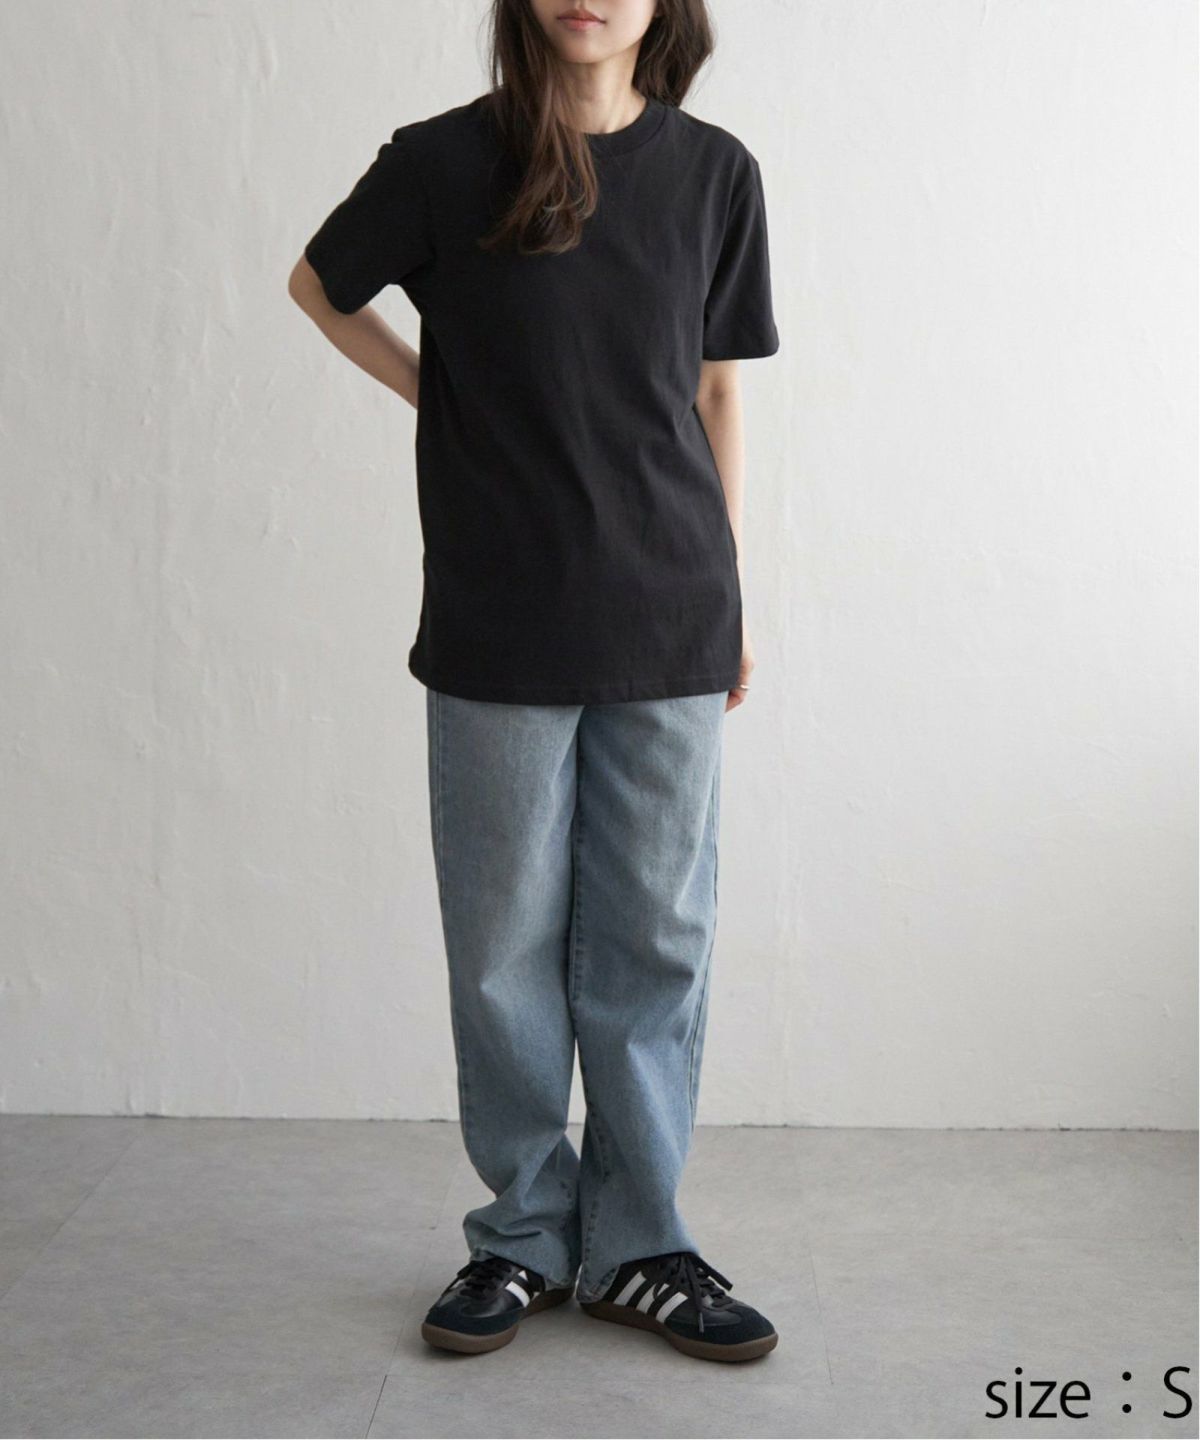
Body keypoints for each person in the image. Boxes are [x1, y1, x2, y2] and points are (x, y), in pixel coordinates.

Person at [289, 0, 780, 1364]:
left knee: (655, 937)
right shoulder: (444, 163)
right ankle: (522, 1234)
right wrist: (441, 396)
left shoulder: (714, 172)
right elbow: (320, 286)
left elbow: (718, 394)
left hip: (669, 609)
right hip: (499, 610)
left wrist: (730, 590)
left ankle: (640, 1245)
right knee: (503, 940)